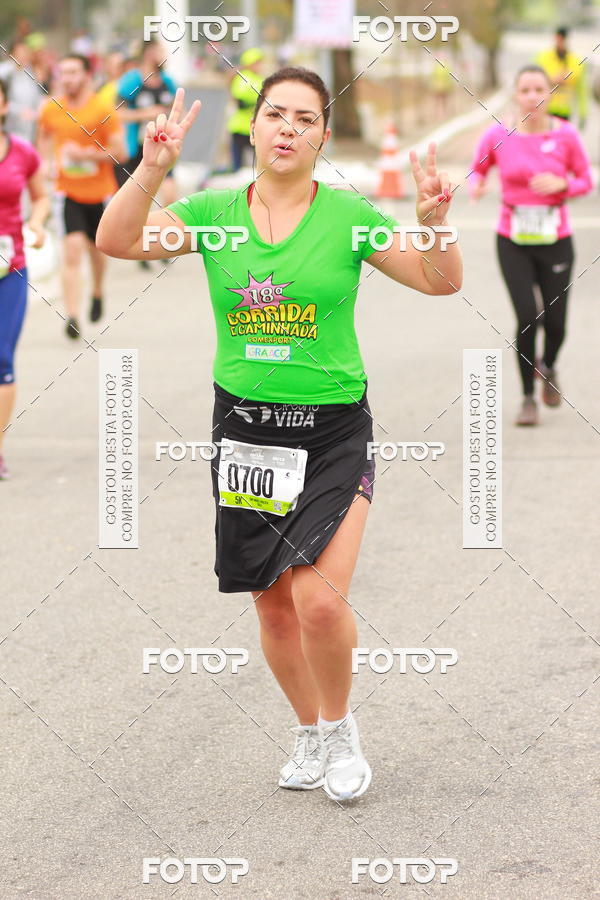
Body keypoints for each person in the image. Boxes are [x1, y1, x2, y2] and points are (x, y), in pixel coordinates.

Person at [96, 69, 462, 801]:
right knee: (271, 602)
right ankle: (308, 729)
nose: (288, 128)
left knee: (318, 599)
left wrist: (434, 222)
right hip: (245, 431)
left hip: (332, 430)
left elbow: (439, 280)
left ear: (323, 135)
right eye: (274, 114)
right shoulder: (214, 213)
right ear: (254, 126)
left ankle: (340, 726)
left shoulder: (348, 215)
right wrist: (153, 167)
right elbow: (118, 239)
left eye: (304, 118)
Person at [469, 65, 592, 426]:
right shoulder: (498, 134)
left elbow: (585, 180)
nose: (532, 96)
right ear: (515, 95)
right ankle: (527, 398)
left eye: (539, 89)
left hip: (556, 240)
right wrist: (477, 185)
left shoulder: (566, 135)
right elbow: (477, 169)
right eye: (525, 90)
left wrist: (563, 185)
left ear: (549, 94)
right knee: (527, 317)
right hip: (513, 240)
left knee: (557, 324)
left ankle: (548, 366)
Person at [37, 54, 125, 339]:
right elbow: (44, 136)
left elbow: (120, 152)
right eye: (63, 73)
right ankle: (72, 315)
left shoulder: (102, 108)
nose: (67, 78)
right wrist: (46, 162)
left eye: (73, 72)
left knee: (97, 250)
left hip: (100, 193)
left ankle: (97, 290)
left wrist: (88, 156)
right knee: (72, 249)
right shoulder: (51, 108)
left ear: (87, 75)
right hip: (67, 191)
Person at [0, 78, 49, 479]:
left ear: (4, 105)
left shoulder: (22, 152)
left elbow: (41, 196)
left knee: (2, 358)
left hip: (10, 269)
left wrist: (37, 222)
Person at [114, 39, 177, 205]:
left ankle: (165, 220)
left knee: (170, 194)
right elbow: (118, 113)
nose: (165, 55)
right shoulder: (132, 80)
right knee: (134, 199)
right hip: (136, 148)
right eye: (160, 51)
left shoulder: (167, 81)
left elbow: (178, 109)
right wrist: (146, 114)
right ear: (149, 53)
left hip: (162, 145)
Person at [536, 27, 587, 128]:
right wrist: (551, 80)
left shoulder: (576, 61)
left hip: (565, 111)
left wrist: (583, 113)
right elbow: (534, 82)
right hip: (546, 108)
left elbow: (582, 90)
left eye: (562, 38)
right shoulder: (543, 58)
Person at [226, 48, 264, 172]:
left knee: (258, 165)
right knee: (238, 166)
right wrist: (258, 103)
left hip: (254, 128)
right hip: (240, 127)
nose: (259, 65)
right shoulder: (243, 78)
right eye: (256, 62)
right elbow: (240, 103)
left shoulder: (259, 79)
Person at [0, 39, 44, 143]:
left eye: (26, 52)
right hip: (9, 128)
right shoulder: (4, 72)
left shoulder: (29, 72)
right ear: (11, 54)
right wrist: (18, 111)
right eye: (20, 52)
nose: (23, 55)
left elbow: (37, 96)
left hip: (29, 129)